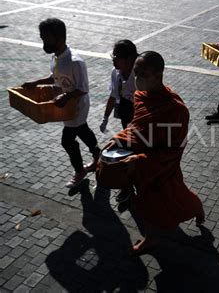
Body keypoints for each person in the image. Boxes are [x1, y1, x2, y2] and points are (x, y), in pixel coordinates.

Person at [104, 51, 205, 254]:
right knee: (147, 203)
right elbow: (136, 128)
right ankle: (157, 232)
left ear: (158, 76)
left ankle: (192, 212)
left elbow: (174, 149)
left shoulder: (176, 109)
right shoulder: (142, 97)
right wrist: (119, 141)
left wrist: (141, 160)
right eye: (136, 72)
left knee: (172, 197)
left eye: (143, 73)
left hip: (161, 167)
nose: (137, 78)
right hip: (140, 163)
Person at [22, 18, 100, 188]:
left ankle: (80, 171)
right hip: (66, 106)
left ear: (59, 37)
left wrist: (65, 97)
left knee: (67, 140)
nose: (43, 41)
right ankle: (98, 157)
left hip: (77, 106)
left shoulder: (76, 61)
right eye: (42, 37)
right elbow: (54, 78)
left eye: (45, 38)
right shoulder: (56, 58)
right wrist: (36, 82)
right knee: (83, 131)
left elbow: (83, 89)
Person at [100, 39, 138, 132]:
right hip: (125, 113)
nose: (113, 59)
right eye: (113, 56)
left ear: (129, 59)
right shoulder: (115, 72)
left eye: (116, 57)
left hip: (139, 115)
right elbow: (113, 95)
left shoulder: (138, 75)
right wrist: (105, 118)